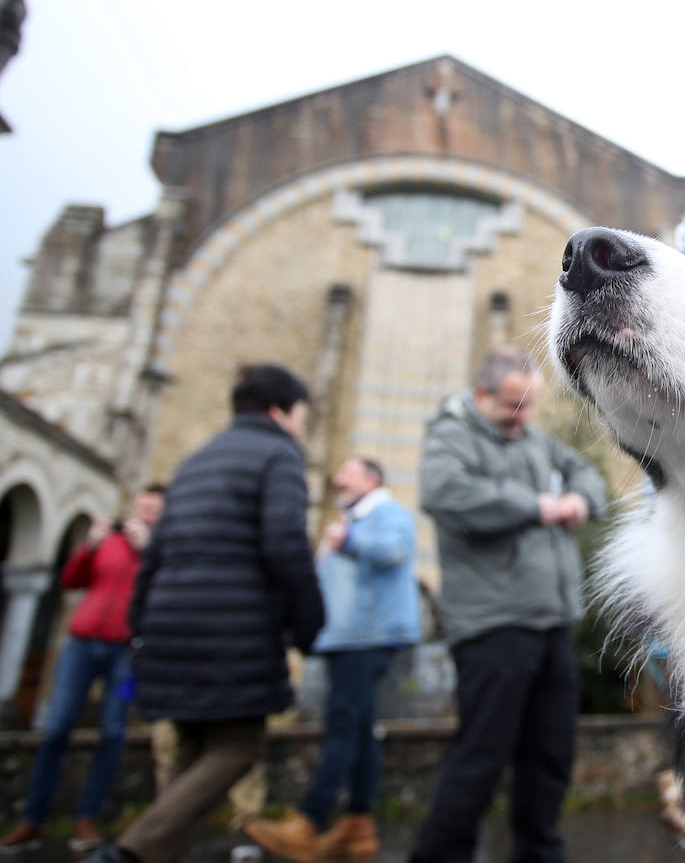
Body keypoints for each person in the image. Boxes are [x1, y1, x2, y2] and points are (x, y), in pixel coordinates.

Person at [86, 364, 325, 863]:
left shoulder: (196, 461)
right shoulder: (279, 455)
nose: (302, 424)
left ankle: (153, 855)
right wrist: (309, 623)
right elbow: (286, 543)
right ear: (280, 411)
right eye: (301, 414)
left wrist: (140, 625)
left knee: (191, 751)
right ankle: (127, 854)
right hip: (233, 628)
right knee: (239, 745)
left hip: (170, 624)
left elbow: (154, 554)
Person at [410, 346, 607, 863]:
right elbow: (444, 492)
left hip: (550, 621)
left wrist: (582, 500)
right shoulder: (452, 438)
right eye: (512, 405)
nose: (522, 416)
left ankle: (538, 853)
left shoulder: (536, 442)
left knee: (550, 754)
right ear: (482, 395)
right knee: (481, 755)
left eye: (529, 405)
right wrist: (537, 506)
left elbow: (587, 476)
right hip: (493, 625)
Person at [244, 456, 421, 861]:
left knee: (342, 725)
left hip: (368, 638)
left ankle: (311, 820)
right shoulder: (355, 518)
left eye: (348, 473)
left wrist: (350, 543)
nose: (338, 479)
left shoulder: (386, 513)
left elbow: (394, 551)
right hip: (347, 639)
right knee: (358, 730)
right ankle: (359, 823)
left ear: (372, 480)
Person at [0, 486, 166, 854]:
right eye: (143, 506)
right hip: (81, 642)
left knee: (112, 731)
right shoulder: (109, 542)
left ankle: (87, 817)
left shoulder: (161, 551)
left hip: (127, 650)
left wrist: (149, 551)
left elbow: (164, 593)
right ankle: (32, 818)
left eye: (155, 510)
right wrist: (89, 545)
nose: (146, 514)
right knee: (57, 727)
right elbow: (72, 579)